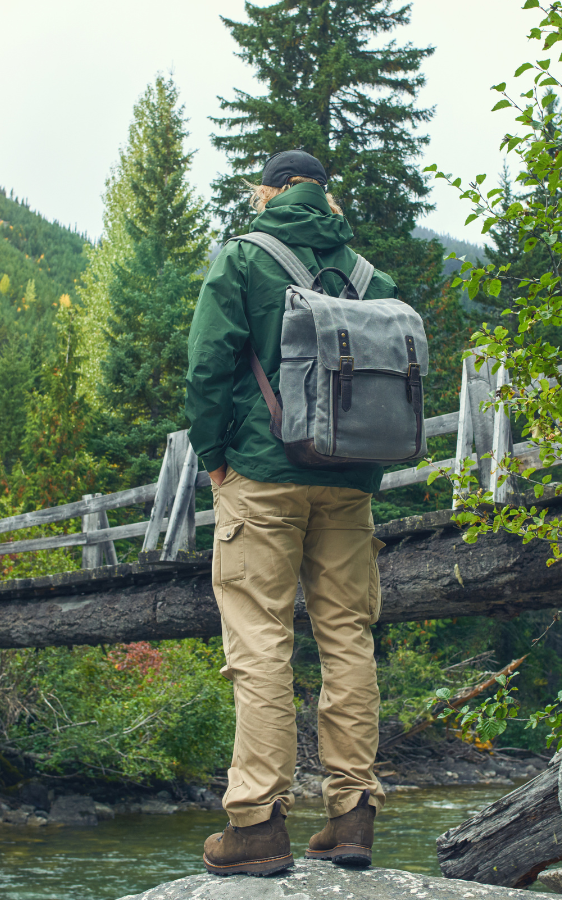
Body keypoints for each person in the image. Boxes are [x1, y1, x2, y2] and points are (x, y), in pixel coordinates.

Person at [185, 149, 394, 877]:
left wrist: (214, 457)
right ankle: (352, 818)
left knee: (261, 638)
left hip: (262, 472)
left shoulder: (243, 259)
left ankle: (256, 824)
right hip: (351, 479)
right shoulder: (370, 276)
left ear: (268, 193)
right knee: (347, 636)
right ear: (326, 198)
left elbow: (209, 363)